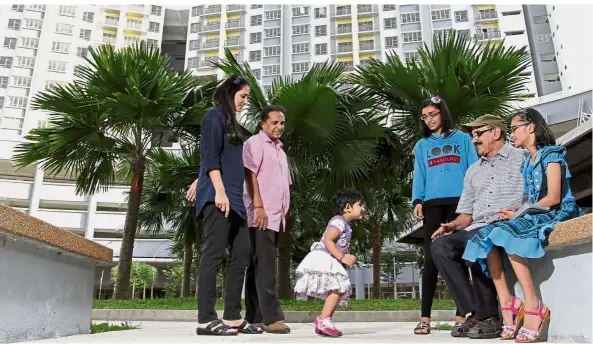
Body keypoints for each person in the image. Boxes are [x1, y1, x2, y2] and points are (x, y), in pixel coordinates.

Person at [462, 108, 583, 342]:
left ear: (531, 127)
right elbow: (531, 199)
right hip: (537, 211)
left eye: (515, 128)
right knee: (487, 233)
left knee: (509, 233)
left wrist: (518, 214)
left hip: (558, 211)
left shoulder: (551, 154)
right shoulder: (527, 162)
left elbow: (554, 197)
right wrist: (513, 212)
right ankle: (507, 303)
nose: (512, 133)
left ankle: (533, 304)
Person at [430, 115, 526, 339]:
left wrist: (518, 213)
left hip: (507, 225)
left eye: (478, 134)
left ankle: (490, 316)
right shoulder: (473, 171)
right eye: (472, 136)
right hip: (478, 225)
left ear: (496, 133)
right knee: (440, 246)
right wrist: (452, 226)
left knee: (478, 241)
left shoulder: (521, 158)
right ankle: (476, 311)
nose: (474, 140)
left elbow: (534, 195)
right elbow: (467, 215)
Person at [195, 75, 258, 336]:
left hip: (236, 201)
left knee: (241, 255)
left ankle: (233, 316)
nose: (245, 101)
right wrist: (218, 191)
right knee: (213, 255)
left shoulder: (233, 125)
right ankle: (205, 320)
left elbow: (226, 159)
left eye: (247, 98)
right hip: (218, 197)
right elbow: (210, 157)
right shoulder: (214, 116)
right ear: (230, 92)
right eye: (243, 96)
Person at [411, 96, 478, 335]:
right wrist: (417, 199)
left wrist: (474, 202)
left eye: (433, 114)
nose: (429, 120)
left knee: (459, 257)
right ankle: (425, 317)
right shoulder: (422, 145)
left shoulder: (462, 139)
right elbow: (419, 174)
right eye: (425, 116)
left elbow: (473, 169)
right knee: (431, 259)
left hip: (461, 203)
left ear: (443, 114)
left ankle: (462, 315)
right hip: (433, 204)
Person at [243, 105, 291, 334]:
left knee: (256, 266)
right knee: (265, 267)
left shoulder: (280, 151)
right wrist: (258, 206)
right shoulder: (254, 143)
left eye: (282, 123)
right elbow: (249, 173)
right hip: (261, 215)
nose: (279, 127)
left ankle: (254, 316)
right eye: (274, 122)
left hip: (275, 216)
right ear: (263, 123)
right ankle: (272, 318)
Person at [293, 188, 364, 337]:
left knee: (338, 289)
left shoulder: (344, 224)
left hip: (329, 258)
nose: (363, 208)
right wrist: (342, 257)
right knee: (338, 288)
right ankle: (324, 319)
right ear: (347, 207)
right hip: (324, 257)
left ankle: (324, 320)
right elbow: (328, 240)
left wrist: (344, 257)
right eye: (360, 205)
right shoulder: (339, 221)